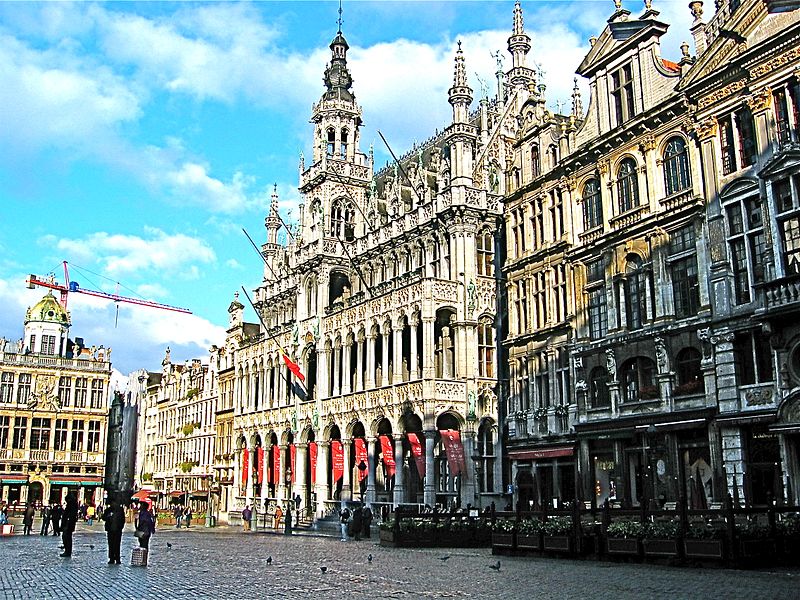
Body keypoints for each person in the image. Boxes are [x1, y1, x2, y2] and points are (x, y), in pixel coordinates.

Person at [102, 498, 126, 565]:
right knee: (111, 544)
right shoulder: (108, 510)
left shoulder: (120, 510)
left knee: (117, 544)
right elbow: (103, 517)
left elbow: (123, 519)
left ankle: (117, 558)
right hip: (110, 529)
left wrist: (120, 527)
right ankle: (111, 558)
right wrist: (108, 516)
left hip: (117, 530)